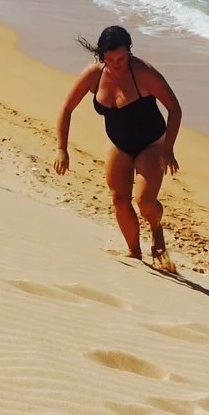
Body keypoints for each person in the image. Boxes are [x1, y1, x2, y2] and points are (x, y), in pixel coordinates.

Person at [54, 25, 183, 270]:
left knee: (145, 202)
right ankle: (134, 251)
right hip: (118, 143)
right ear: (101, 55)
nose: (116, 64)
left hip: (151, 143)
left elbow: (175, 109)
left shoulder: (144, 73)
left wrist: (168, 148)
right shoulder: (93, 74)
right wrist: (62, 148)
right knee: (119, 199)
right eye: (110, 59)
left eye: (121, 59)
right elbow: (66, 108)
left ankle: (156, 228)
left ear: (129, 52)